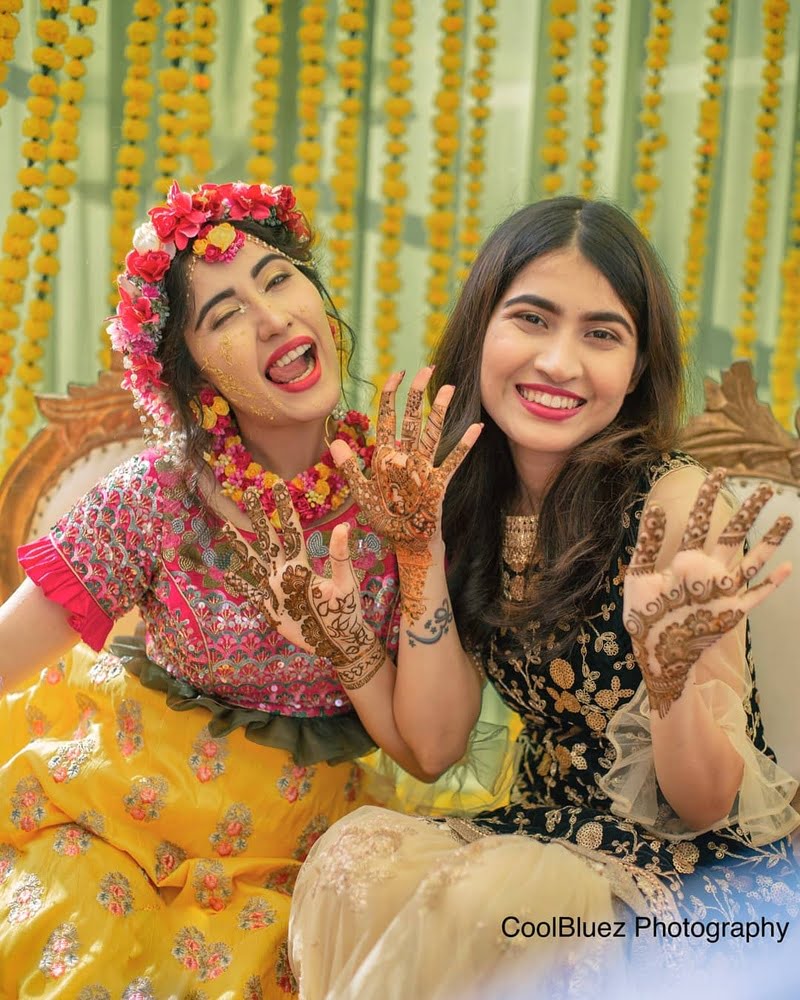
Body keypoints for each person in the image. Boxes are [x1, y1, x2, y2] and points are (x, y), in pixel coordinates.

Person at [288, 196, 800, 999]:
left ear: (635, 370)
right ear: (482, 330)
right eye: (532, 318)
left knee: (489, 907)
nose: (561, 362)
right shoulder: (462, 496)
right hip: (538, 830)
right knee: (352, 859)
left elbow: (704, 806)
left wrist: (666, 683)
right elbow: (434, 748)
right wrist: (419, 553)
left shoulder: (673, 507)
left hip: (692, 878)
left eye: (601, 334)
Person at [0, 180, 481, 997]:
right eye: (223, 314)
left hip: (310, 851)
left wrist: (416, 550)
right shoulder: (159, 496)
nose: (272, 317)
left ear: (323, 307)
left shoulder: (402, 491)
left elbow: (431, 754)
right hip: (129, 817)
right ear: (194, 382)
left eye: (280, 278)